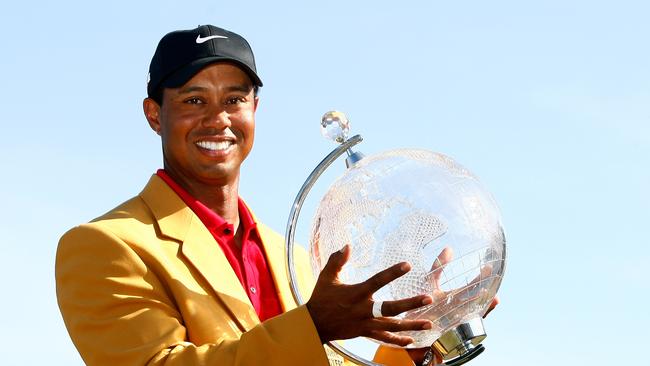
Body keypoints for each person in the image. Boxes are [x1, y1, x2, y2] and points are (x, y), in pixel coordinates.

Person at [56, 25, 496, 366]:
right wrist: (312, 326)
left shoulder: (298, 261)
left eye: (234, 99)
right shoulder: (105, 246)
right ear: (155, 114)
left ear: (254, 110)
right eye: (193, 100)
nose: (218, 119)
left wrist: (417, 343)